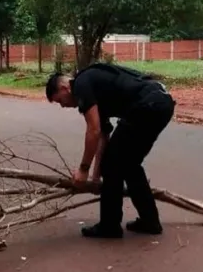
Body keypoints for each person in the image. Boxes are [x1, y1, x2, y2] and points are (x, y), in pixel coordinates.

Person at [46, 62, 176, 239]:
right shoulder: (94, 89)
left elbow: (93, 131)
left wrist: (83, 170)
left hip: (147, 105)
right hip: (161, 103)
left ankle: (109, 226)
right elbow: (103, 136)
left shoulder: (81, 84)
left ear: (64, 88)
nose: (63, 106)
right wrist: (96, 177)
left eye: (60, 100)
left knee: (113, 164)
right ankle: (150, 221)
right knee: (129, 164)